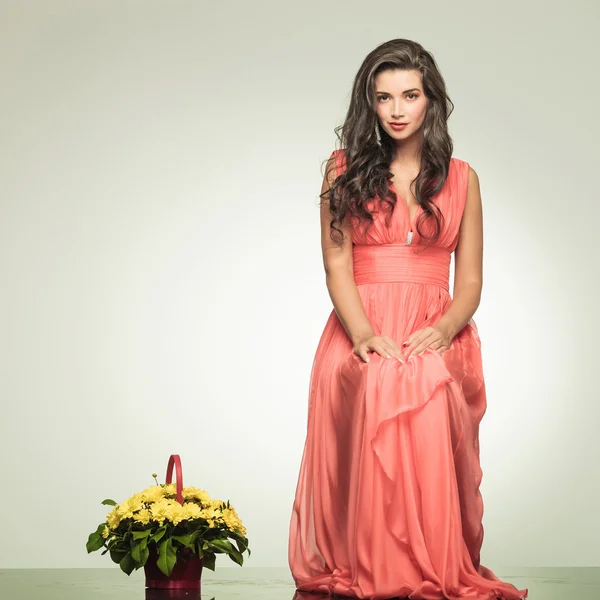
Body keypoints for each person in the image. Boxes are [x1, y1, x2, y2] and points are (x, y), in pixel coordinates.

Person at [287, 39, 529, 600]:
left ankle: (430, 565)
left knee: (421, 379)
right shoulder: (342, 171)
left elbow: (469, 283)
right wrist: (365, 334)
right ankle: (374, 565)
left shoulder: (464, 180)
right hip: (359, 323)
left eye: (410, 95)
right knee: (379, 378)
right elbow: (335, 263)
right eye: (384, 97)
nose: (397, 109)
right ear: (368, 105)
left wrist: (443, 331)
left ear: (431, 101)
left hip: (436, 324)